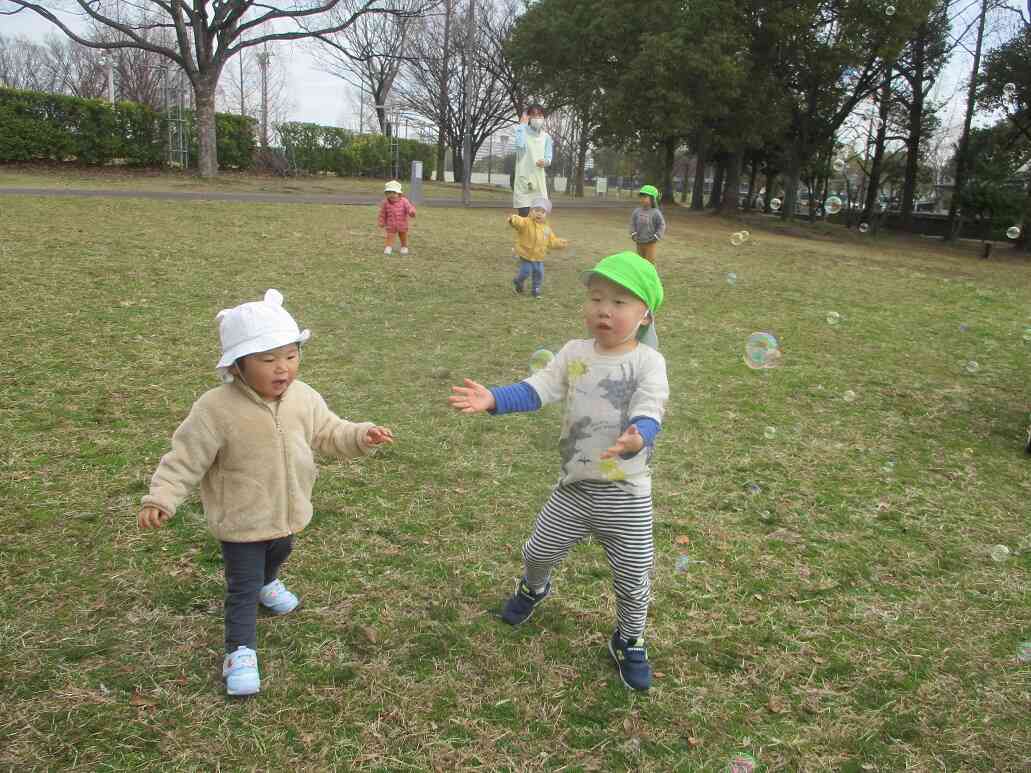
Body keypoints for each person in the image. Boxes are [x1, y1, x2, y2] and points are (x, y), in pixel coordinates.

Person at [137, 289, 394, 697]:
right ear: (237, 366)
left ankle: (268, 581)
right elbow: (185, 458)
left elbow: (330, 431)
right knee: (241, 587)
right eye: (268, 359)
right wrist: (161, 497)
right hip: (241, 520)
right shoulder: (215, 409)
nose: (283, 369)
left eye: (290, 356)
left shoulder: (304, 397)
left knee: (279, 553)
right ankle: (239, 650)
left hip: (288, 510)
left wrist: (363, 434)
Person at [448, 251, 669, 691]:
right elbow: (538, 389)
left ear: (645, 314)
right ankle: (534, 588)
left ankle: (629, 637)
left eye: (620, 302)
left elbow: (652, 406)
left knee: (633, 575)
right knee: (537, 552)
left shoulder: (648, 362)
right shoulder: (573, 353)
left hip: (625, 494)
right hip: (573, 488)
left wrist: (639, 434)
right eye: (596, 298)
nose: (604, 309)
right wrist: (494, 399)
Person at [509, 196, 568, 299]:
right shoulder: (527, 223)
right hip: (526, 254)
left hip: (539, 256)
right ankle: (518, 281)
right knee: (525, 272)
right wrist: (513, 219)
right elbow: (520, 222)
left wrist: (559, 243)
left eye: (542, 212)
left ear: (546, 215)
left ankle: (536, 289)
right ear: (531, 211)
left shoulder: (547, 229)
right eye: (536, 210)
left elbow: (551, 241)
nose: (539, 213)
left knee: (539, 273)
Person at [512, 104, 553, 216]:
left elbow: (549, 158)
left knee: (539, 221)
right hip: (524, 182)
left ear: (544, 117)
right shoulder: (522, 132)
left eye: (539, 115)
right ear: (529, 117)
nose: (537, 118)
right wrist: (521, 126)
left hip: (539, 183)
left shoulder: (546, 137)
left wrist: (545, 162)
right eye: (534, 115)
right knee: (524, 221)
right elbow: (519, 148)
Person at [378, 180, 417, 255]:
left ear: (399, 193)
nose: (391, 195)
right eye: (389, 193)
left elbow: (409, 208)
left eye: (394, 193)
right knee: (390, 236)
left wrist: (412, 212)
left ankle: (404, 246)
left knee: (403, 235)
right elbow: (382, 213)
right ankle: (388, 247)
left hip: (402, 224)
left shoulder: (404, 201)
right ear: (386, 194)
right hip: (391, 224)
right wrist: (381, 221)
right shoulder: (385, 203)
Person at [630, 184, 666, 264]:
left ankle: (649, 276)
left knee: (649, 263)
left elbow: (662, 225)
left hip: (650, 242)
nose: (642, 199)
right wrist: (633, 233)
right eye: (641, 197)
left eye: (645, 197)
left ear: (652, 199)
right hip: (639, 241)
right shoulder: (637, 211)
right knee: (639, 262)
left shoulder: (656, 212)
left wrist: (657, 236)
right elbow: (632, 223)